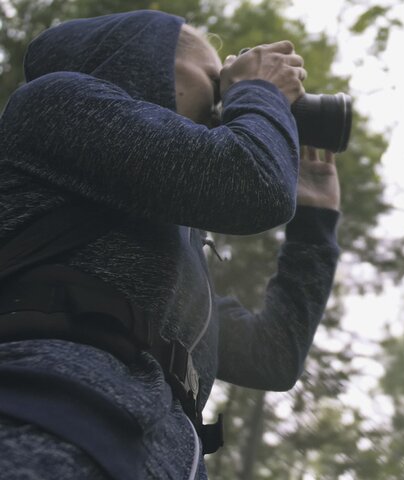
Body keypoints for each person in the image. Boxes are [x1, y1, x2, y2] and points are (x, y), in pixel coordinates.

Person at [0, 9, 340, 480]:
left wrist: (315, 224)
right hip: (48, 426)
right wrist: (257, 89)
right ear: (144, 62)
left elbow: (274, 356)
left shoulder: (171, 257)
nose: (224, 97)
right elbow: (251, 184)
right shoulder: (53, 103)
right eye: (216, 80)